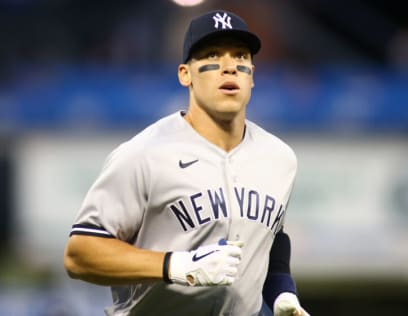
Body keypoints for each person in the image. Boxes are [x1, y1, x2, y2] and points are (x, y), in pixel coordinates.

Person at [64, 9, 309, 316]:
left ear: (252, 75)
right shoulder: (144, 153)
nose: (229, 67)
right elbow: (80, 254)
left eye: (240, 57)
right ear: (185, 74)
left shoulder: (280, 158)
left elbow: (271, 240)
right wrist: (177, 266)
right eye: (213, 55)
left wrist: (283, 293)